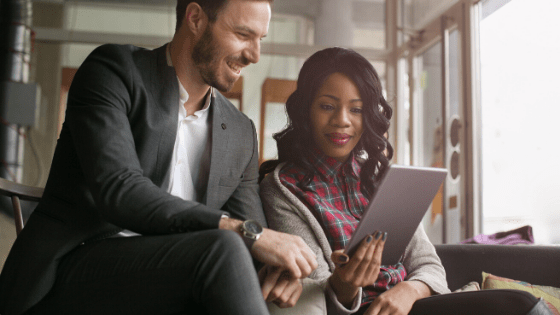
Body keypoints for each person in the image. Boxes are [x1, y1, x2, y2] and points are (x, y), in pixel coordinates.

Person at [0, 1, 318, 314]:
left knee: (230, 253)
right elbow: (120, 191)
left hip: (174, 282)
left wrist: (278, 271)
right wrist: (239, 231)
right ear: (195, 19)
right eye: (242, 34)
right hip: (72, 273)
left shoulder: (240, 131)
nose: (254, 55)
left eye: (259, 40)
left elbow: (254, 238)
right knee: (223, 247)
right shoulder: (114, 71)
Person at [259, 47, 450, 315]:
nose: (342, 121)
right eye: (327, 106)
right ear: (306, 110)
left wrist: (410, 290)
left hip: (413, 304)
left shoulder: (379, 177)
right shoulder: (284, 189)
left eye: (357, 109)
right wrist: (345, 284)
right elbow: (313, 296)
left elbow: (429, 264)